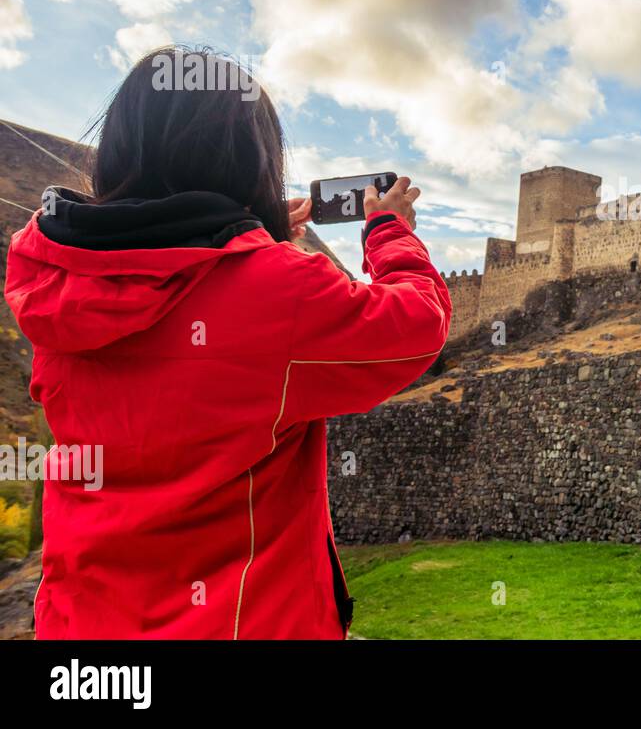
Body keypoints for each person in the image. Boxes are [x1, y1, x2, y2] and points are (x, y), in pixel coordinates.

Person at [4, 48, 452, 639]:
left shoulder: (59, 273)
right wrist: (387, 231)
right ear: (251, 161)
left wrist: (252, 242)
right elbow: (416, 326)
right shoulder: (278, 292)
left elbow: (174, 272)